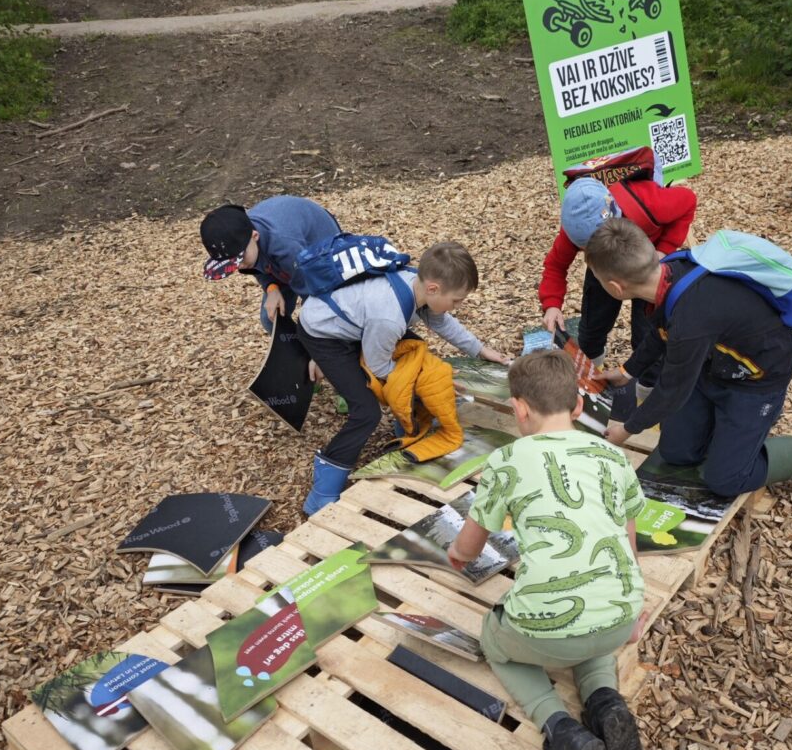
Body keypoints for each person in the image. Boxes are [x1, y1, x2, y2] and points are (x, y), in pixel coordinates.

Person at [447, 350, 646, 750]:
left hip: (544, 628)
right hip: (621, 615)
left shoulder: (507, 459)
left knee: (494, 640)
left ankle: (559, 726)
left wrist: (457, 556)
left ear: (519, 409)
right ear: (578, 406)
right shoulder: (613, 457)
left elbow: (469, 547)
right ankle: (603, 701)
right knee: (592, 601)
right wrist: (634, 609)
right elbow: (628, 542)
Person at [583, 218, 792, 512]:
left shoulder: (692, 321)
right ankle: (727, 436)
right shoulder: (668, 272)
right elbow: (661, 332)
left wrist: (627, 430)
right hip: (713, 366)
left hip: (757, 379)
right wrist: (628, 371)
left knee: (725, 479)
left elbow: (672, 390)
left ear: (616, 288)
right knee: (675, 452)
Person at [297, 241, 510, 514]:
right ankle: (324, 485)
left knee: (419, 364)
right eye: (456, 300)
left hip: (360, 324)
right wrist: (424, 383)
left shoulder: (415, 284)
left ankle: (410, 426)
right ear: (433, 288)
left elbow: (442, 322)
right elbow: (378, 366)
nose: (457, 306)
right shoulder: (389, 317)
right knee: (366, 411)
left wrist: (480, 350)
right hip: (325, 335)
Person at [539, 173, 697, 379]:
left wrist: (664, 250)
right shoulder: (575, 228)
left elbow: (688, 201)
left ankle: (646, 388)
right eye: (583, 248)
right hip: (602, 270)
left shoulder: (648, 203)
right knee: (592, 328)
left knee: (647, 334)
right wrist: (551, 304)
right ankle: (593, 378)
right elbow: (555, 266)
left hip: (647, 265)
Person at [200, 196, 341, 333]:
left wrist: (313, 323)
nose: (239, 266)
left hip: (321, 250)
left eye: (240, 259)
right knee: (271, 320)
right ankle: (298, 348)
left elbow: (314, 294)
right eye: (232, 263)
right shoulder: (244, 241)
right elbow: (259, 266)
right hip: (286, 260)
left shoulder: (285, 247)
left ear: (255, 236)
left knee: (320, 320)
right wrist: (271, 288)